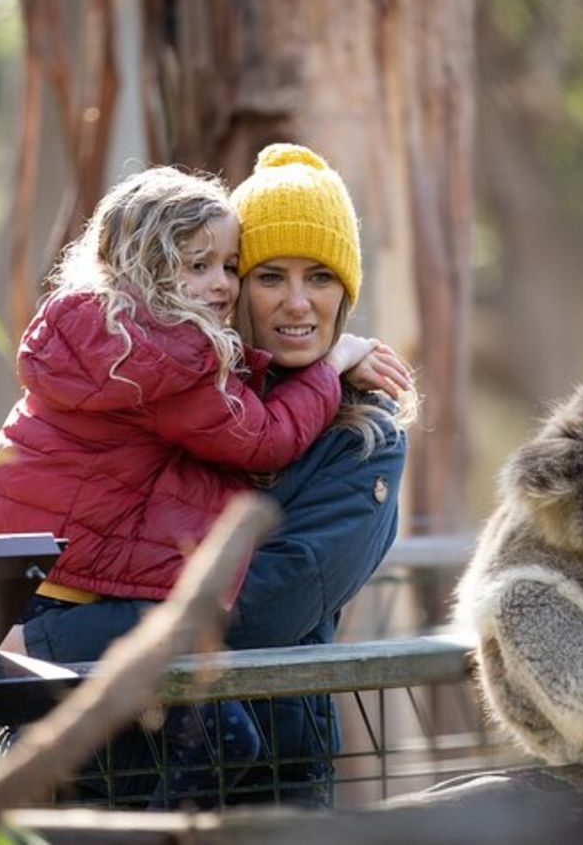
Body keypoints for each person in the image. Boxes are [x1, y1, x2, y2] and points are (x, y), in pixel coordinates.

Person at [0, 164, 384, 804]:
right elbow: (264, 438)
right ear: (146, 270)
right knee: (226, 743)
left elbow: (275, 594)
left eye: (230, 266)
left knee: (208, 745)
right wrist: (333, 365)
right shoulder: (172, 361)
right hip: (66, 605)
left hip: (29, 587)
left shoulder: (96, 334)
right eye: (264, 275)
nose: (222, 284)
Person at [218, 143, 415, 805]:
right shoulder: (191, 403)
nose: (298, 303)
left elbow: (268, 605)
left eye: (321, 277)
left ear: (346, 293)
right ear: (236, 286)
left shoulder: (365, 438)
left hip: (269, 777)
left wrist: (86, 636)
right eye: (271, 276)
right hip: (114, 761)